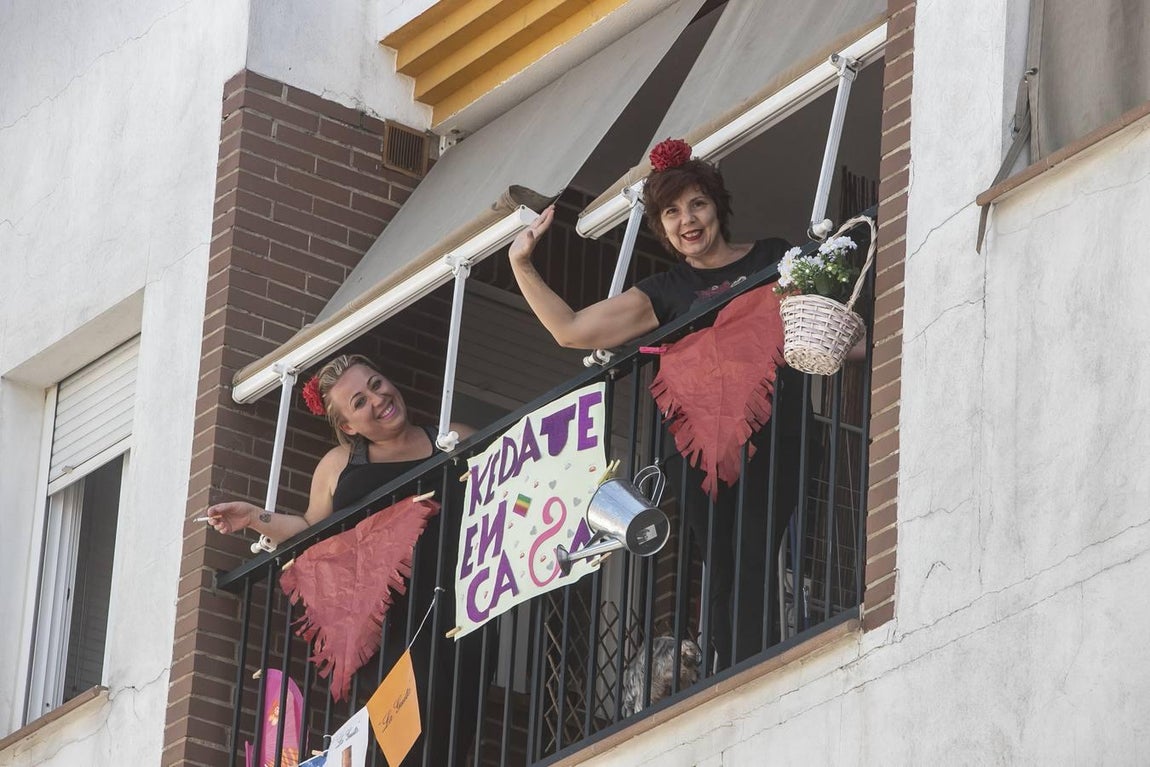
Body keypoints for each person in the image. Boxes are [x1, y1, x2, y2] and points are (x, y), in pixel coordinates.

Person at [508, 140, 825, 671]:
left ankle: (750, 666)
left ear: (717, 207)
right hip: (699, 451)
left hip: (777, 432)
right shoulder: (664, 290)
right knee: (721, 563)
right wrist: (522, 264)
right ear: (661, 226)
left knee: (756, 549)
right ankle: (734, 670)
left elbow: (816, 321)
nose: (687, 221)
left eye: (697, 204)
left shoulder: (775, 257)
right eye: (671, 212)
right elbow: (570, 331)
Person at [205, 354, 486, 766]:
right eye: (359, 401)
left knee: (453, 719)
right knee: (400, 730)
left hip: (457, 605)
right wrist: (254, 518)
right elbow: (309, 529)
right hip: (384, 622)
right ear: (349, 427)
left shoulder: (452, 437)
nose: (378, 398)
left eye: (376, 383)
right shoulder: (340, 465)